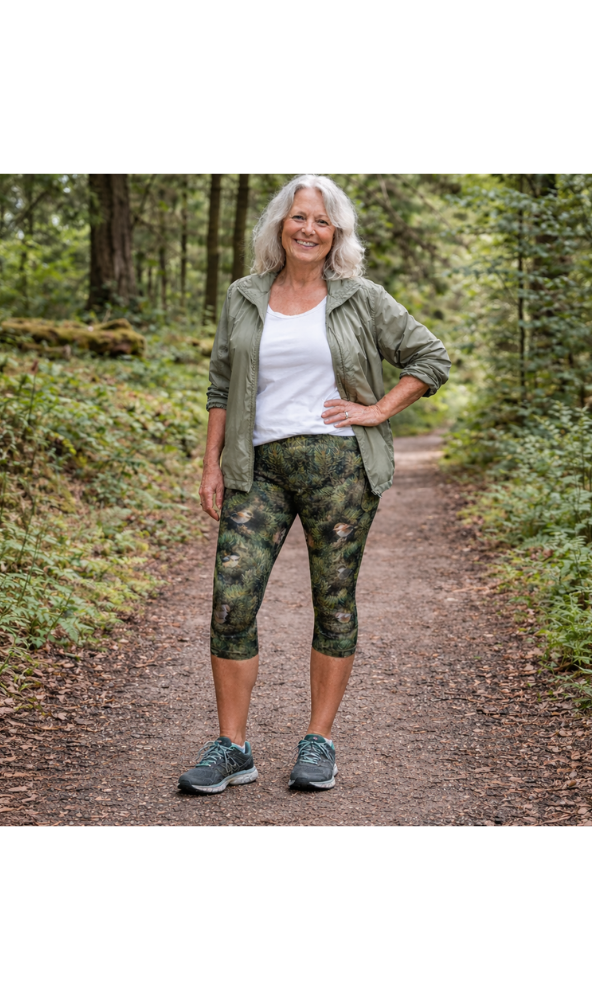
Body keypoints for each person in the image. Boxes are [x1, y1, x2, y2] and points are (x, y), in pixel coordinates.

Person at [177, 174, 450, 795]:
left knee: (333, 599)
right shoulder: (244, 295)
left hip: (340, 470)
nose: (308, 229)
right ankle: (233, 746)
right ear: (281, 224)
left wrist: (377, 410)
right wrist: (211, 463)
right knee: (232, 599)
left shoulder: (360, 296)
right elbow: (220, 387)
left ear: (336, 235)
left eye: (321, 222)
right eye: (299, 217)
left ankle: (319, 741)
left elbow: (430, 358)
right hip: (257, 469)